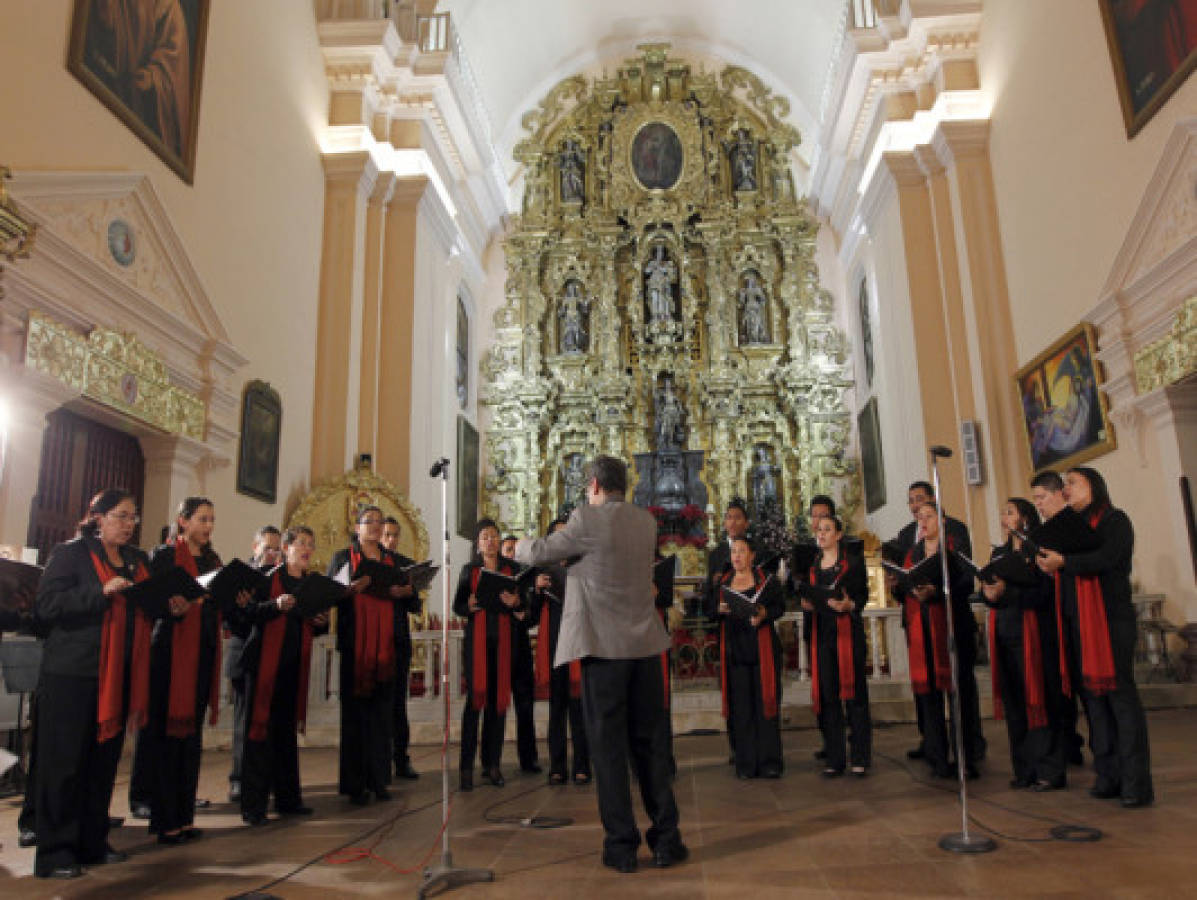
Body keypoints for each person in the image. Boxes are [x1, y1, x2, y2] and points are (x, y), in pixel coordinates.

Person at [516, 456, 685, 874]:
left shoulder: (586, 519)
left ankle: (621, 847)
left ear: (592, 485)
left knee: (608, 751)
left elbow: (541, 552)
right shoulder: (645, 522)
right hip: (645, 647)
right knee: (649, 747)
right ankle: (667, 840)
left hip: (604, 651)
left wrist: (513, 545)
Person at [29, 489, 153, 879]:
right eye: (121, 516)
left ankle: (92, 841)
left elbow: (144, 607)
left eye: (133, 517)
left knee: (101, 766)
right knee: (64, 766)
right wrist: (98, 592)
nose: (129, 524)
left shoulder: (136, 561)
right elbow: (46, 607)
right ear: (97, 517)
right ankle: (55, 852)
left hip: (116, 675)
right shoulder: (70, 554)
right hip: (72, 674)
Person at [1036, 467, 1153, 807]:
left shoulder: (1115, 521)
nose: (1067, 488)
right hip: (1077, 621)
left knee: (1119, 699)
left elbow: (1106, 559)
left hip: (1109, 620)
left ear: (1095, 486)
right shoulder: (1069, 525)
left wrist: (1064, 562)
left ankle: (1135, 783)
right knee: (1094, 703)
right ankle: (1108, 775)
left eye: (1073, 482)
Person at [142, 497, 230, 845]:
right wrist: (174, 607)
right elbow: (153, 603)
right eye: (202, 519)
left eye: (212, 520)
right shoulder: (162, 556)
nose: (208, 526)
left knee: (191, 739)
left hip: (202, 653)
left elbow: (218, 602)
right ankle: (166, 821)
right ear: (183, 521)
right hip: (170, 653)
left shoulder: (212, 560)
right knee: (167, 739)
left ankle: (184, 815)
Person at [238, 526, 328, 825]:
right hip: (263, 665)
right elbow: (247, 614)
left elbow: (318, 626)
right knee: (259, 734)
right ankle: (254, 805)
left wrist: (320, 621)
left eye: (310, 545)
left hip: (292, 665)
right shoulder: (267, 580)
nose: (306, 549)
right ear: (286, 548)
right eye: (301, 543)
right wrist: (274, 606)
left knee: (285, 735)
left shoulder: (311, 585)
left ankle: (289, 799)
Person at [979, 498, 1066, 791]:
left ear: (1026, 519)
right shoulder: (1000, 552)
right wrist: (989, 592)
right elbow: (989, 592)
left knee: (1039, 701)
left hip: (1032, 633)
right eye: (1003, 512)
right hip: (1004, 630)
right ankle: (1024, 769)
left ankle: (1049, 769)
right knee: (1015, 705)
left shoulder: (1036, 549)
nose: (1004, 517)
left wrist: (1008, 591)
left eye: (1010, 512)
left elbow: (1044, 594)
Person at [899, 502, 982, 779]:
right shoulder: (913, 554)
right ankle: (937, 758)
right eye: (919, 517)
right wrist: (899, 586)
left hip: (953, 629)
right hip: (922, 632)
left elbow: (967, 585)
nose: (922, 521)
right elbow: (904, 589)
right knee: (930, 700)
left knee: (961, 698)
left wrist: (936, 592)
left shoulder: (954, 551)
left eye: (929, 516)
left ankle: (965, 758)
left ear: (942, 520)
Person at [328, 506, 404, 805]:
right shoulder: (342, 557)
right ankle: (355, 784)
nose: (374, 526)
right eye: (368, 522)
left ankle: (379, 780)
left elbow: (406, 593)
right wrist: (349, 591)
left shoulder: (391, 560)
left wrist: (403, 592)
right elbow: (329, 593)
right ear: (356, 527)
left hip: (386, 646)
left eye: (379, 521)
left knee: (382, 717)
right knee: (356, 717)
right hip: (355, 645)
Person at [453, 519, 522, 790]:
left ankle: (492, 764)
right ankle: (466, 768)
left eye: (494, 536)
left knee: (498, 706)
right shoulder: (468, 571)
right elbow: (458, 605)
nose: (491, 541)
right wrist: (468, 605)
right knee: (474, 705)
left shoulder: (512, 570)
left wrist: (516, 601)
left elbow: (524, 602)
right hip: (478, 647)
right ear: (478, 543)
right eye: (485, 537)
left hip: (504, 644)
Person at [801, 516, 871, 777]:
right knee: (829, 696)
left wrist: (849, 605)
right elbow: (810, 598)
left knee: (855, 697)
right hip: (823, 635)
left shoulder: (852, 564)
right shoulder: (813, 567)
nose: (821, 534)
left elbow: (862, 596)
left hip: (847, 634)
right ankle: (835, 757)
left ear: (839, 535)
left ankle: (861, 756)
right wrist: (808, 604)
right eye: (818, 530)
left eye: (827, 529)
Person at [714, 537, 784, 779]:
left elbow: (780, 607)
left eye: (742, 551)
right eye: (734, 551)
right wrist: (719, 610)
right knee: (741, 710)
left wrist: (764, 613)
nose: (737, 556)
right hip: (736, 651)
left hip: (762, 649)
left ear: (752, 555)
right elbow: (710, 609)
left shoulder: (766, 581)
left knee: (765, 706)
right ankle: (746, 764)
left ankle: (770, 762)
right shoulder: (724, 582)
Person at [1030, 470, 1087, 766]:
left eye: (1041, 498)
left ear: (1056, 494)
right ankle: (1070, 746)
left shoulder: (1074, 523)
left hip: (1080, 615)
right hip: (1057, 615)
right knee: (1061, 691)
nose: (1038, 504)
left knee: (1088, 694)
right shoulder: (1047, 529)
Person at [530, 518, 590, 785]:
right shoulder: (543, 570)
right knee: (557, 707)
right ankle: (557, 765)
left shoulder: (584, 567)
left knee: (580, 706)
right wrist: (536, 589)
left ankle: (582, 764)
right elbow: (530, 615)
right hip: (554, 642)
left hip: (578, 640)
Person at [227, 525, 281, 802]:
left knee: (267, 722)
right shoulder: (240, 576)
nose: (272, 554)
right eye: (267, 547)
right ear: (255, 546)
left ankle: (263, 778)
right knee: (244, 722)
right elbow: (232, 619)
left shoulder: (278, 579)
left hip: (271, 657)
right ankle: (238, 778)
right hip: (245, 656)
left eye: (277, 549)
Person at [705, 499, 749, 763]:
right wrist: (714, 599)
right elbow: (709, 596)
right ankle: (735, 745)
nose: (731, 523)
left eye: (736, 517)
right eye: (728, 518)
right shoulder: (717, 554)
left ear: (746, 522)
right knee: (731, 692)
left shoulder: (756, 550)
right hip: (728, 630)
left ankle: (753, 742)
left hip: (751, 629)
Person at [380, 516, 423, 781]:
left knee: (398, 703)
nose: (391, 540)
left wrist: (409, 593)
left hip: (398, 640)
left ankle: (401, 758)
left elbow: (416, 606)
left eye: (395, 535)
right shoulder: (371, 563)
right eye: (386, 534)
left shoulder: (405, 564)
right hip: (375, 639)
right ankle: (379, 759)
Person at [502, 534, 540, 774]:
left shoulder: (528, 579)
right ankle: (491, 761)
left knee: (525, 707)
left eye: (517, 550)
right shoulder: (490, 576)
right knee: (496, 708)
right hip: (497, 647)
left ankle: (529, 759)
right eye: (508, 550)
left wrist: (522, 613)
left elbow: (533, 616)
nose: (513, 554)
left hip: (520, 648)